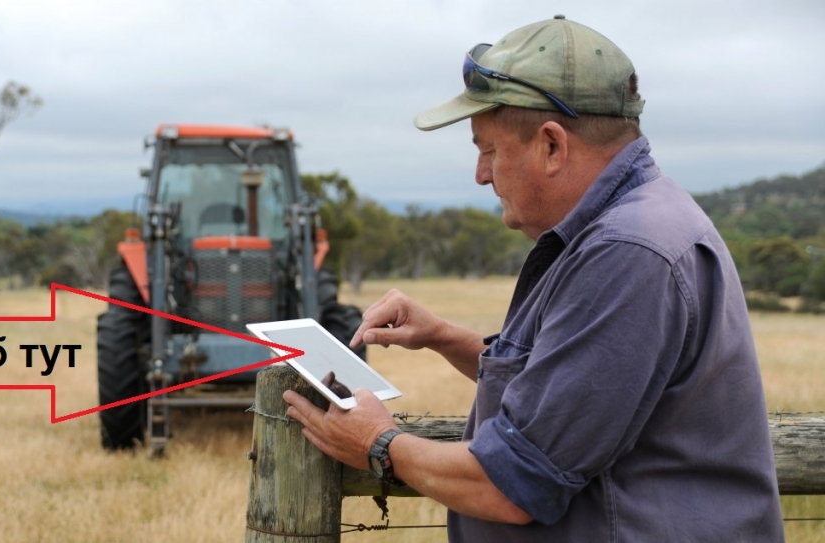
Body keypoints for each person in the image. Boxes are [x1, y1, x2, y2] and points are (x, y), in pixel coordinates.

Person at [282, 15, 785, 542]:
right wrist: (441, 337)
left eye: (488, 150)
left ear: (551, 146)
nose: (481, 174)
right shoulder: (630, 226)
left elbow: (514, 485)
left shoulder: (627, 253)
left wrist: (378, 443)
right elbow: (574, 391)